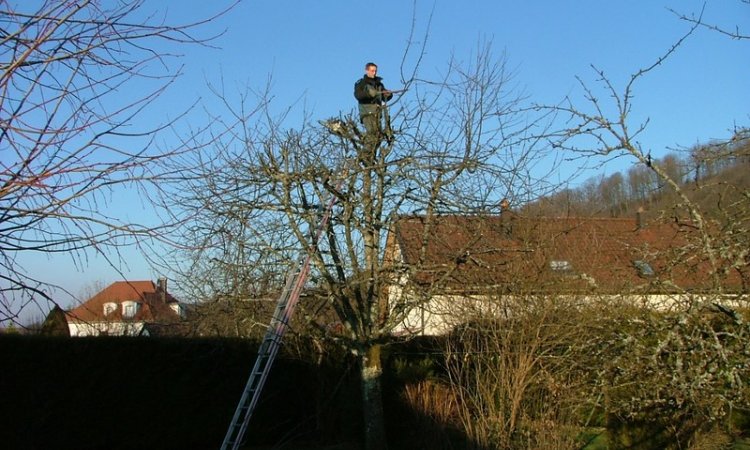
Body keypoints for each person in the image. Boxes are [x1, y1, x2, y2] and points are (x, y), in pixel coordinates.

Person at [354, 62, 393, 146]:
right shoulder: (361, 83)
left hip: (378, 113)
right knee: (372, 135)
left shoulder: (379, 84)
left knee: (378, 137)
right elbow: (358, 95)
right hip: (367, 112)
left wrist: (388, 94)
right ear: (366, 71)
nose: (374, 73)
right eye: (372, 71)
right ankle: (365, 156)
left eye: (375, 71)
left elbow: (384, 96)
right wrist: (369, 94)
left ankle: (371, 156)